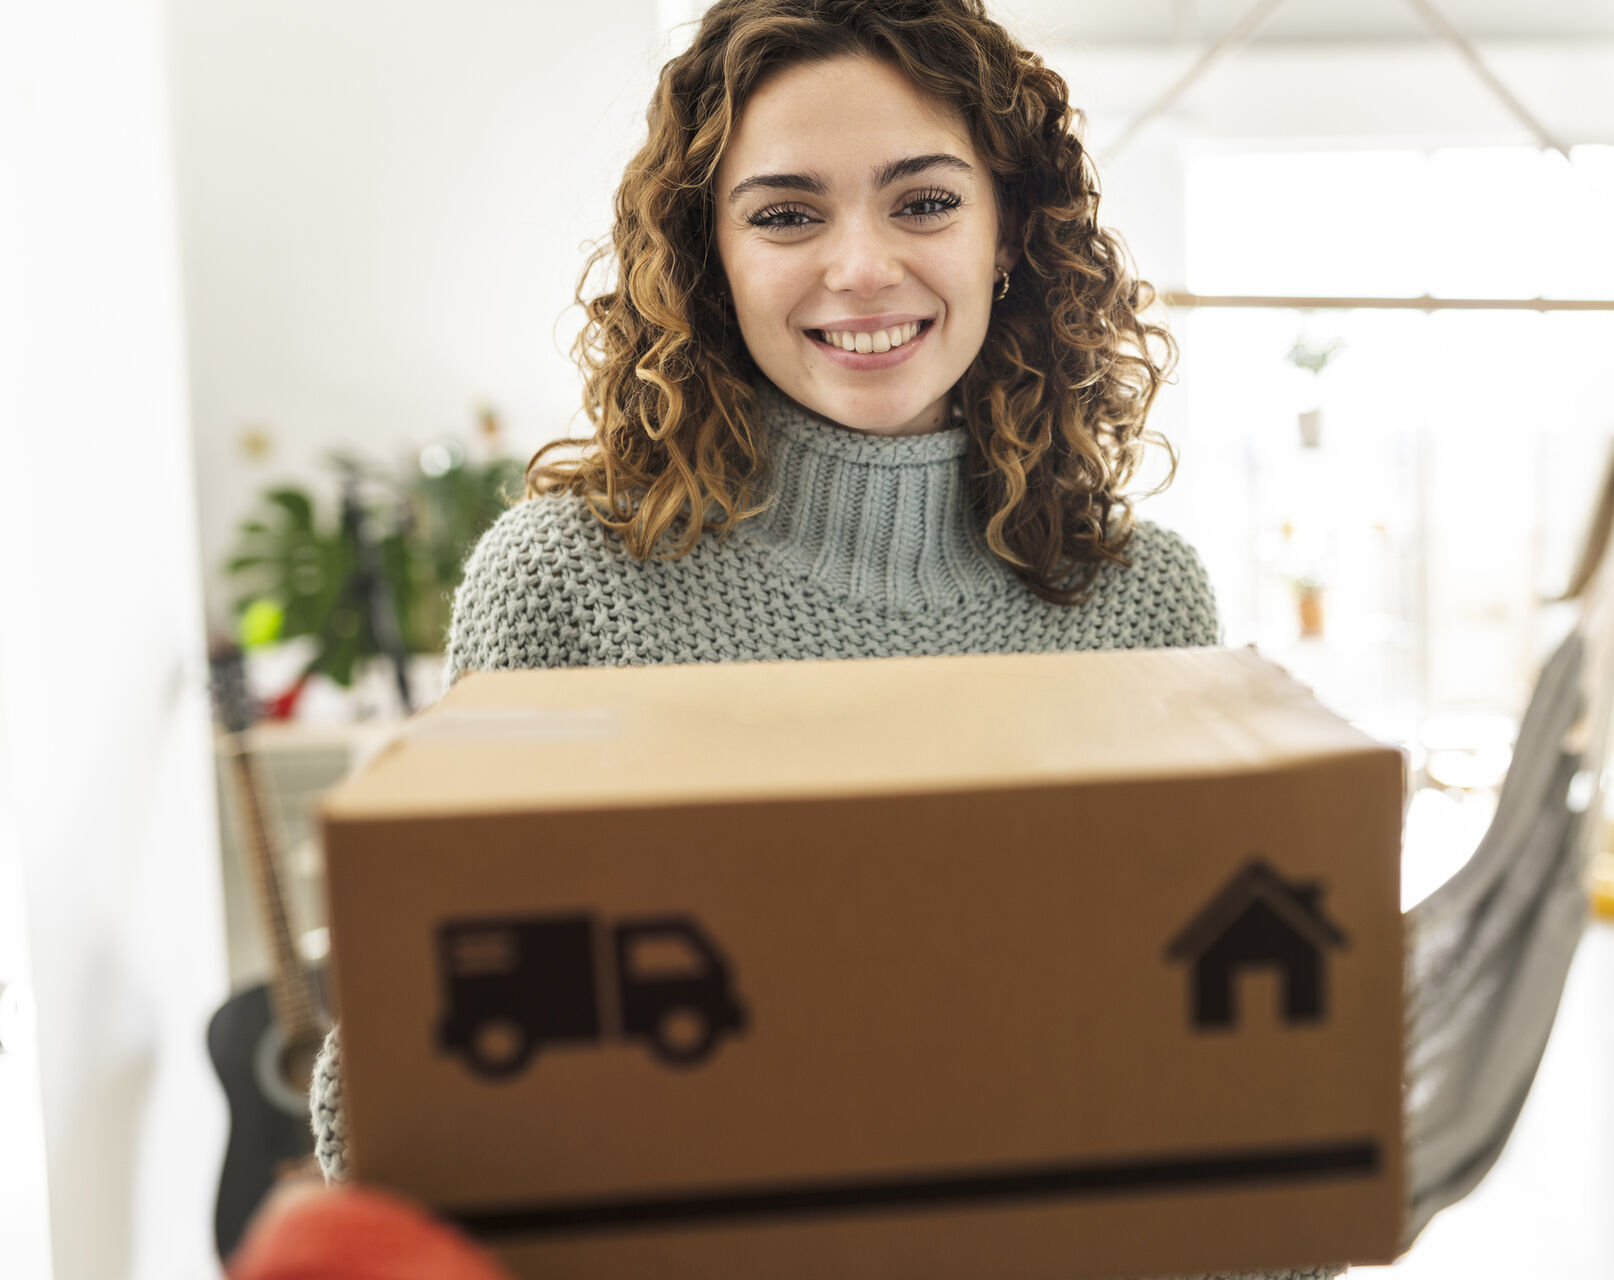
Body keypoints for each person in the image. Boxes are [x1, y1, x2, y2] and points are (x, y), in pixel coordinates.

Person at [303, 1, 1340, 1276]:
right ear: (709, 257)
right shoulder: (566, 585)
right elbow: (392, 1104)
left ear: (1008, 234)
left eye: (923, 203)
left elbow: (1209, 1083)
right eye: (788, 213)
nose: (861, 267)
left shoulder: (1140, 602)